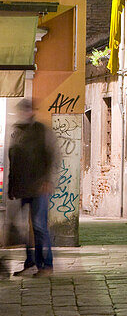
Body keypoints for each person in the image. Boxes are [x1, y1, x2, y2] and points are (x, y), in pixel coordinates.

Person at [6, 100, 57, 278]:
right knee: (25, 229)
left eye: (27, 110)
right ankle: (30, 262)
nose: (24, 113)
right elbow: (12, 160)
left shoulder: (40, 130)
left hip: (38, 187)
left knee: (39, 226)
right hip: (21, 188)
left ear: (31, 111)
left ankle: (46, 265)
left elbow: (50, 156)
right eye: (22, 110)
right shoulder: (17, 131)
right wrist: (11, 188)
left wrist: (47, 180)